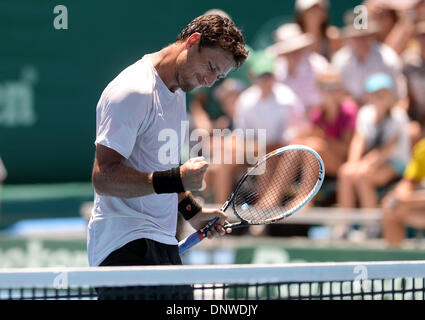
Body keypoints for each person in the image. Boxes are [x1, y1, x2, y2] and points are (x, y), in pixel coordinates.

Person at [89, 14, 248, 298]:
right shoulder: (133, 91)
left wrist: (193, 213)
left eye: (219, 76)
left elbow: (158, 169)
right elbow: (104, 177)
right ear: (193, 41)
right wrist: (177, 177)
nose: (210, 81)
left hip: (160, 243)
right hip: (124, 247)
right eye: (211, 67)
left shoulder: (177, 90)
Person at [337, 73, 411, 212]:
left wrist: (365, 164)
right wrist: (354, 162)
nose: (379, 97)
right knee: (346, 172)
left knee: (363, 176)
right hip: (374, 161)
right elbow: (358, 140)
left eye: (382, 93)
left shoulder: (399, 116)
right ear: (368, 96)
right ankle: (344, 223)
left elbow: (388, 149)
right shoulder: (365, 113)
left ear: (391, 95)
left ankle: (370, 226)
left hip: (396, 163)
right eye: (375, 93)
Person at [294, 70, 358, 179]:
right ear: (320, 90)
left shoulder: (349, 110)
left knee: (314, 147)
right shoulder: (317, 113)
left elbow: (347, 150)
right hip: (321, 163)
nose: (332, 92)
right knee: (297, 144)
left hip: (342, 164)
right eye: (327, 87)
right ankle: (273, 194)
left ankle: (305, 193)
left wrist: (324, 141)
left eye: (335, 87)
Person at [332, 15, 406, 106]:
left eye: (365, 36)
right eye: (356, 37)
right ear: (349, 38)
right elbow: (336, 96)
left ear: (372, 36)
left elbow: (401, 98)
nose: (361, 41)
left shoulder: (388, 58)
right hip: (352, 112)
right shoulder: (340, 59)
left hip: (384, 112)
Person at [266, 23, 330, 111]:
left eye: (296, 50)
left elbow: (328, 101)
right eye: (288, 52)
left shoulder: (319, 65)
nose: (293, 55)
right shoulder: (276, 70)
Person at [382, 137, 425, 246]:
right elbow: (407, 182)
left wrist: (409, 200)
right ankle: (395, 259)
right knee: (391, 208)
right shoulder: (423, 148)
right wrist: (398, 197)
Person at [403, 21, 425, 146]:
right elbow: (406, 94)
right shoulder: (408, 62)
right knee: (411, 132)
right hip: (418, 117)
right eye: (421, 35)